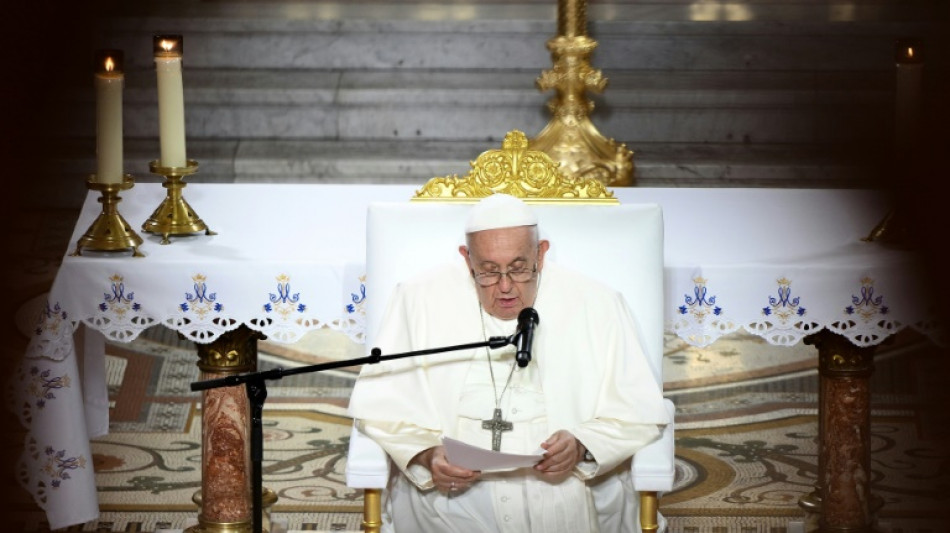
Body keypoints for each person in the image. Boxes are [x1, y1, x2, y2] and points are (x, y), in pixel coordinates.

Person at [347, 193, 670, 532]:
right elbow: (380, 407)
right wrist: (427, 456)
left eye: (518, 268)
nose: (504, 287)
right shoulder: (417, 299)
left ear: (541, 254)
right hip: (450, 496)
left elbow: (639, 411)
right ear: (467, 259)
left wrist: (583, 446)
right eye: (487, 271)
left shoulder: (597, 303)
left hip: (560, 489)